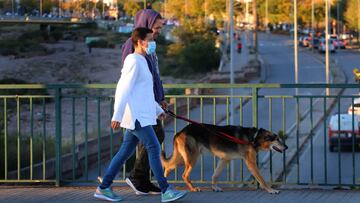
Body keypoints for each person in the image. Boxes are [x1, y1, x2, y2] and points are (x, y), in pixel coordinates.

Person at [94, 27, 187, 202]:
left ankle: (104, 187)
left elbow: (143, 93)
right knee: (153, 147)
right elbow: (123, 89)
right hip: (136, 117)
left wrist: (159, 110)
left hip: (141, 115)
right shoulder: (133, 61)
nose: (153, 43)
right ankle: (166, 190)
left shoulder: (143, 60)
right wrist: (117, 114)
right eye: (150, 39)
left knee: (124, 152)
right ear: (140, 42)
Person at [120, 9, 167, 195]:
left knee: (132, 145)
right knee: (155, 139)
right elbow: (128, 80)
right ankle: (139, 177)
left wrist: (160, 99)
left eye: (160, 28)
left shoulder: (151, 46)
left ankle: (140, 180)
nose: (158, 31)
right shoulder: (131, 47)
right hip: (140, 106)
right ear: (146, 25)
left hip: (150, 103)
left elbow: (154, 76)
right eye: (156, 28)